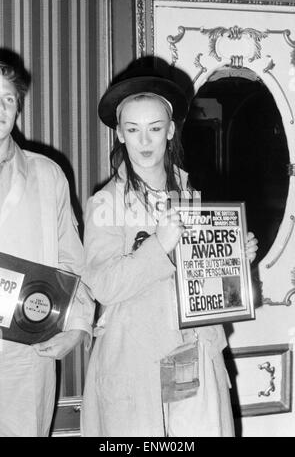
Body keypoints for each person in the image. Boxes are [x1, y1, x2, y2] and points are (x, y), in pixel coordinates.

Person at [81, 63, 258, 437]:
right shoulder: (104, 202)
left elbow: (206, 285)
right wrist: (159, 245)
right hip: (136, 361)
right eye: (133, 129)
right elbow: (103, 285)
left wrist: (235, 259)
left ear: (171, 130)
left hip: (193, 355)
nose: (144, 141)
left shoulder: (190, 193)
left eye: (155, 128)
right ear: (119, 134)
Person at [0, 54, 94, 437]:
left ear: (18, 109)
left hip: (25, 354)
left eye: (7, 98)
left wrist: (77, 327)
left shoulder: (48, 174)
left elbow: (72, 259)